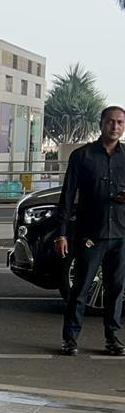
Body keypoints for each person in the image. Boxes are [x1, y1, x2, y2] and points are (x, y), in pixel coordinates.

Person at [58, 106, 125, 356]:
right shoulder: (82, 156)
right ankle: (70, 339)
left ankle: (112, 338)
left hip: (120, 235)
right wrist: (62, 234)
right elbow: (66, 196)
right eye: (110, 122)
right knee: (80, 288)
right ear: (101, 124)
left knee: (116, 290)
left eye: (119, 122)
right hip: (90, 235)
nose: (115, 127)